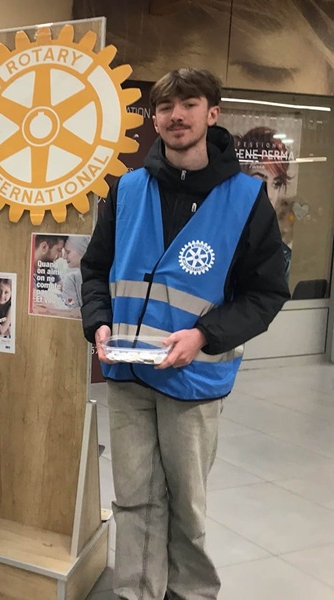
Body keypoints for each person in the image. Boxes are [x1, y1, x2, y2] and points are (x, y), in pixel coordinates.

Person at [80, 68, 289, 600]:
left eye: (189, 104)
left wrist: (203, 336)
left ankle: (192, 593)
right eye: (166, 107)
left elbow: (265, 293)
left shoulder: (245, 198)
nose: (176, 116)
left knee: (187, 502)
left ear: (211, 114)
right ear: (154, 119)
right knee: (133, 496)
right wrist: (98, 321)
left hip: (193, 379)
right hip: (127, 373)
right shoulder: (126, 189)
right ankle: (136, 592)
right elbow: (95, 270)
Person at [235, 126, 295, 281]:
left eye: (276, 183)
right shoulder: (217, 238)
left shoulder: (283, 256)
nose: (269, 194)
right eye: (260, 179)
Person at [60, 235, 89, 314]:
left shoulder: (104, 276)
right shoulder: (72, 279)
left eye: (68, 252)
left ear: (83, 250)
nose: (64, 256)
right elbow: (73, 310)